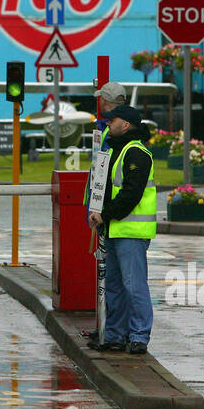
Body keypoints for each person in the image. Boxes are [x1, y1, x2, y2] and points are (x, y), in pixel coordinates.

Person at [86, 105, 156, 356]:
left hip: (131, 232)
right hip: (115, 229)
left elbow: (131, 194)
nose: (108, 124)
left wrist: (104, 214)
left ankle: (139, 336)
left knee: (133, 285)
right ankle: (116, 334)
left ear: (125, 124)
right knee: (114, 284)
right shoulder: (116, 149)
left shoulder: (136, 152)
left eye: (112, 120)